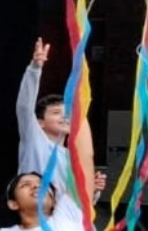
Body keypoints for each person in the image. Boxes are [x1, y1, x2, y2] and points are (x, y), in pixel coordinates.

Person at [17, 38, 94, 219]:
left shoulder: (71, 155)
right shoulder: (34, 139)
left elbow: (76, 197)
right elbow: (24, 107)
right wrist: (35, 68)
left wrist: (94, 190)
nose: (64, 117)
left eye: (67, 112)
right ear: (40, 122)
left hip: (62, 220)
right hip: (34, 216)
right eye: (56, 113)